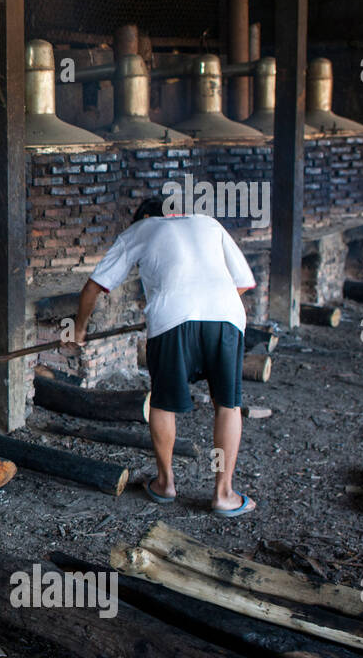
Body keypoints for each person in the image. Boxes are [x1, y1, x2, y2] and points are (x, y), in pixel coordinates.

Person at [67, 197, 257, 516]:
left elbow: (92, 288)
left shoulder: (141, 229)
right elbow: (244, 283)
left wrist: (79, 328)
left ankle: (165, 483)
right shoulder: (209, 224)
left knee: (163, 402)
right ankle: (223, 495)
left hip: (172, 319)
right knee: (227, 404)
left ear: (143, 217)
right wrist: (202, 308)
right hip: (226, 316)